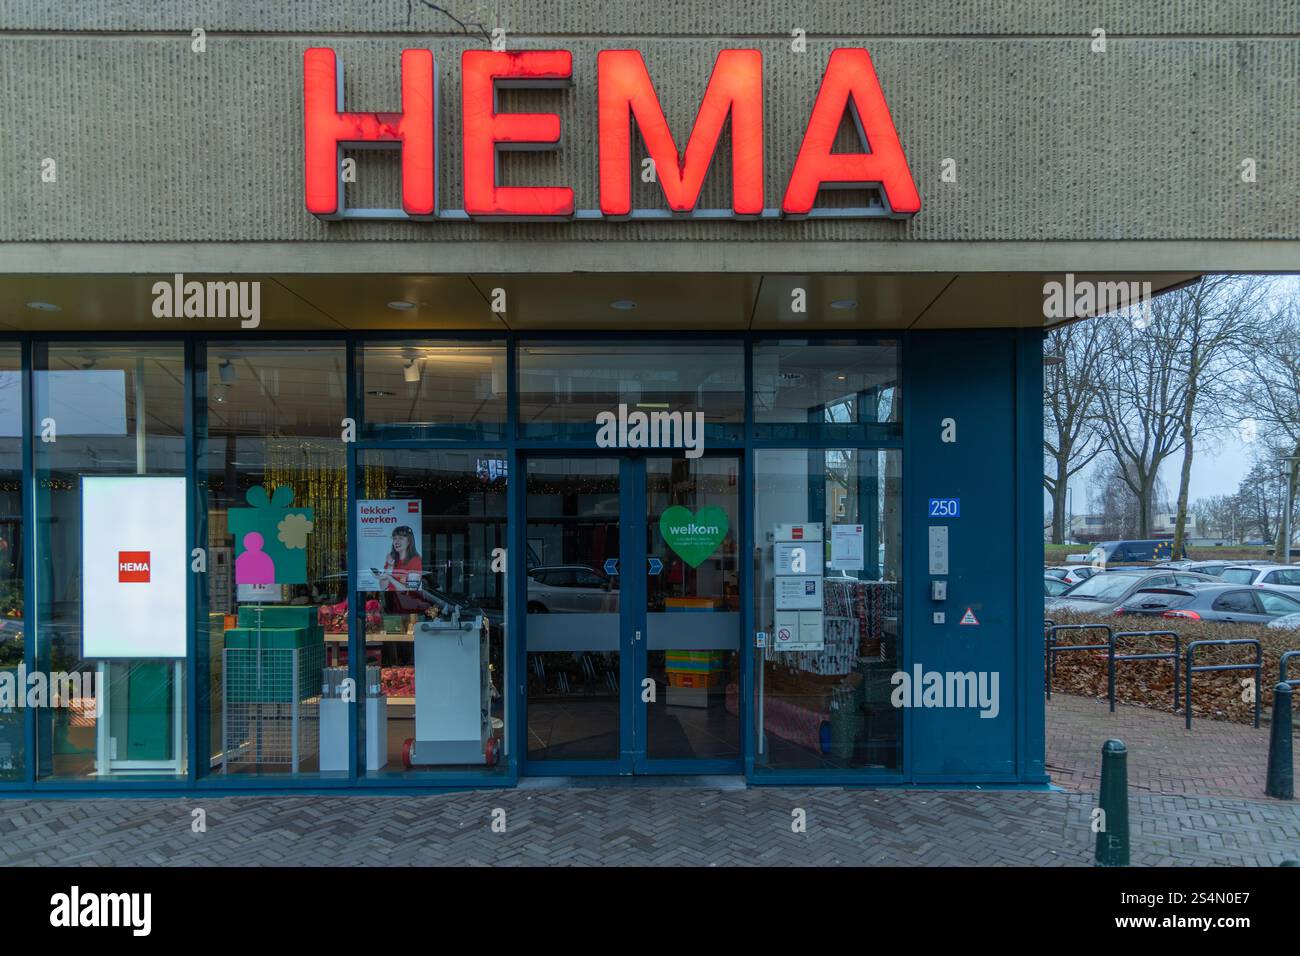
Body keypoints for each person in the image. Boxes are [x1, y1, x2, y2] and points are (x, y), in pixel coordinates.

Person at [377, 526, 422, 592]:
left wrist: (389, 577)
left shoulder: (416, 561)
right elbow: (382, 587)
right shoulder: (392, 558)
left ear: (409, 541)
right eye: (394, 538)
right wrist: (390, 566)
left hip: (405, 600)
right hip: (391, 597)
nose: (396, 541)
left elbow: (411, 589)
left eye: (401, 538)